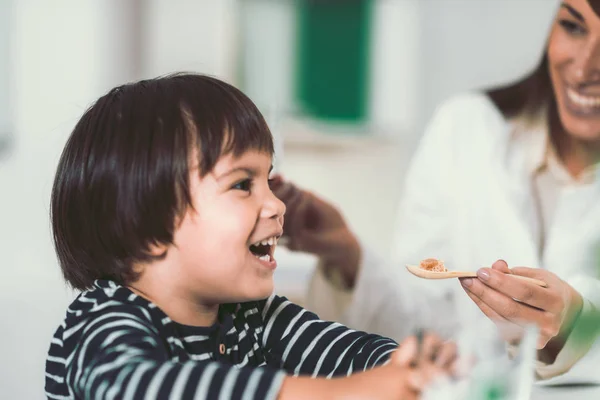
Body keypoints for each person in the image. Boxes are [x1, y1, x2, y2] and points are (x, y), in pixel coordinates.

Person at [44, 74, 456, 399]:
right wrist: (338, 395)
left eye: (269, 181)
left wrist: (409, 367)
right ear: (147, 226)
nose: (277, 205)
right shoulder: (103, 322)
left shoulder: (253, 319)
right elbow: (142, 388)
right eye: (243, 184)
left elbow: (350, 354)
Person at [274, 0, 600, 384]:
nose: (583, 67)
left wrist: (576, 328)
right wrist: (346, 254)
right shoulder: (464, 130)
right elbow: (424, 326)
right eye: (573, 27)